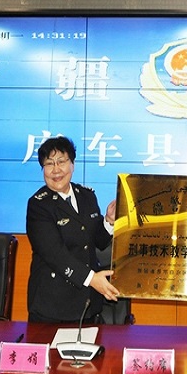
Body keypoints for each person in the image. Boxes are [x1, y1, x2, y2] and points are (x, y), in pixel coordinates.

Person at [26, 136, 119, 323]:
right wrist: (92, 279)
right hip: (52, 307)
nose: (56, 170)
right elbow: (54, 254)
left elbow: (97, 241)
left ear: (72, 165)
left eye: (61, 161)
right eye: (49, 164)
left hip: (88, 305)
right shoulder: (38, 205)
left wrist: (109, 221)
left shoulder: (86, 196)